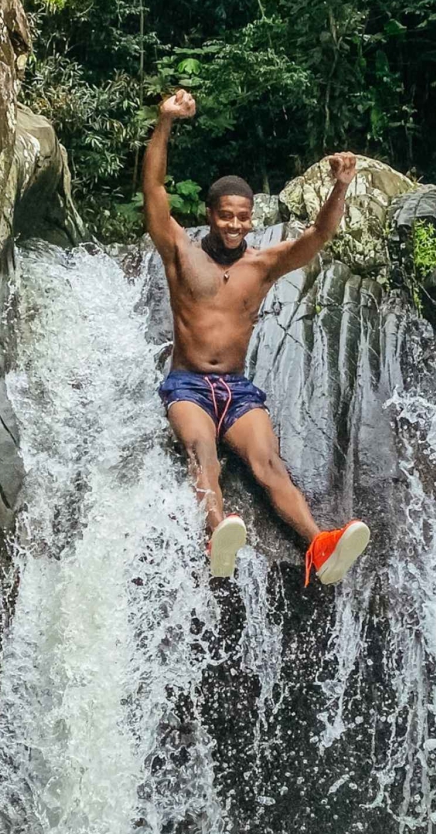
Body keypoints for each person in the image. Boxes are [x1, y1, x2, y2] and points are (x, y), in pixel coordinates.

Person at [144, 88, 370, 584]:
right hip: (187, 385)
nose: (234, 224)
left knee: (269, 462)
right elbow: (155, 191)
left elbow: (318, 237)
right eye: (226, 214)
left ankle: (318, 546)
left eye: (243, 216)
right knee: (202, 451)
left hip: (238, 390)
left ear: (252, 218)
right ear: (210, 213)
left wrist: (340, 187)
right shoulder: (180, 251)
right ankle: (217, 531)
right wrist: (165, 123)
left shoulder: (261, 264)